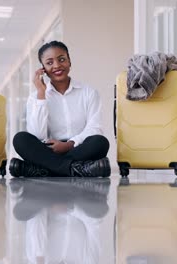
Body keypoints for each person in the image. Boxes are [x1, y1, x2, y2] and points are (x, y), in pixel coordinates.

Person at [9, 41, 111, 177]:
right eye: (49, 63)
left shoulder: (89, 92)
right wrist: (41, 94)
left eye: (61, 59)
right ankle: (76, 169)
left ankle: (41, 170)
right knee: (20, 139)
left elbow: (95, 127)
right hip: (49, 150)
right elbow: (38, 135)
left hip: (78, 148)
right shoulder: (36, 97)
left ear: (69, 62)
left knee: (100, 142)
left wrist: (69, 144)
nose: (57, 65)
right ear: (43, 69)